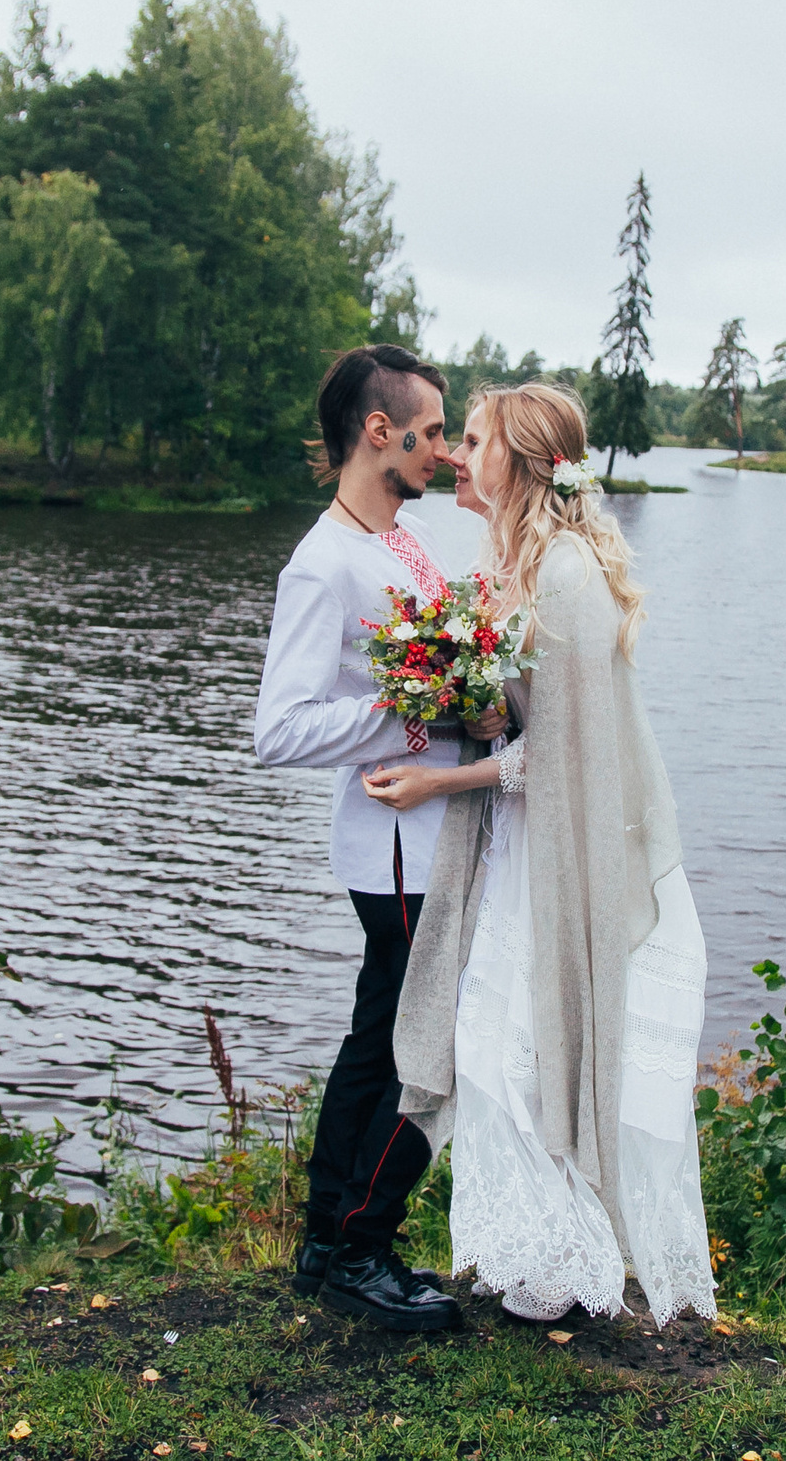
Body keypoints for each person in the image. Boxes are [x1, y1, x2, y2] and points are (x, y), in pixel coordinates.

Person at [367, 382, 716, 1327]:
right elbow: (524, 723)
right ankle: (532, 1255)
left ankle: (568, 1259)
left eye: (472, 438)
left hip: (565, 858)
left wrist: (443, 778)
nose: (454, 452)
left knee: (529, 1047)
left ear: (518, 463)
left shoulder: (565, 574)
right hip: (519, 847)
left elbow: (563, 757)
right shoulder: (505, 564)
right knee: (489, 1047)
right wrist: (480, 708)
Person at [250, 343, 502, 1333]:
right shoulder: (321, 565)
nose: (443, 451)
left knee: (377, 1038)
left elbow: (443, 665)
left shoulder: (406, 539)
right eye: (432, 433)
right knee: (421, 1044)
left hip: (433, 830)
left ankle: (330, 1241)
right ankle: (362, 1246)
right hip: (395, 845)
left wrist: (471, 698)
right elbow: (278, 730)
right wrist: (410, 707)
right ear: (379, 431)